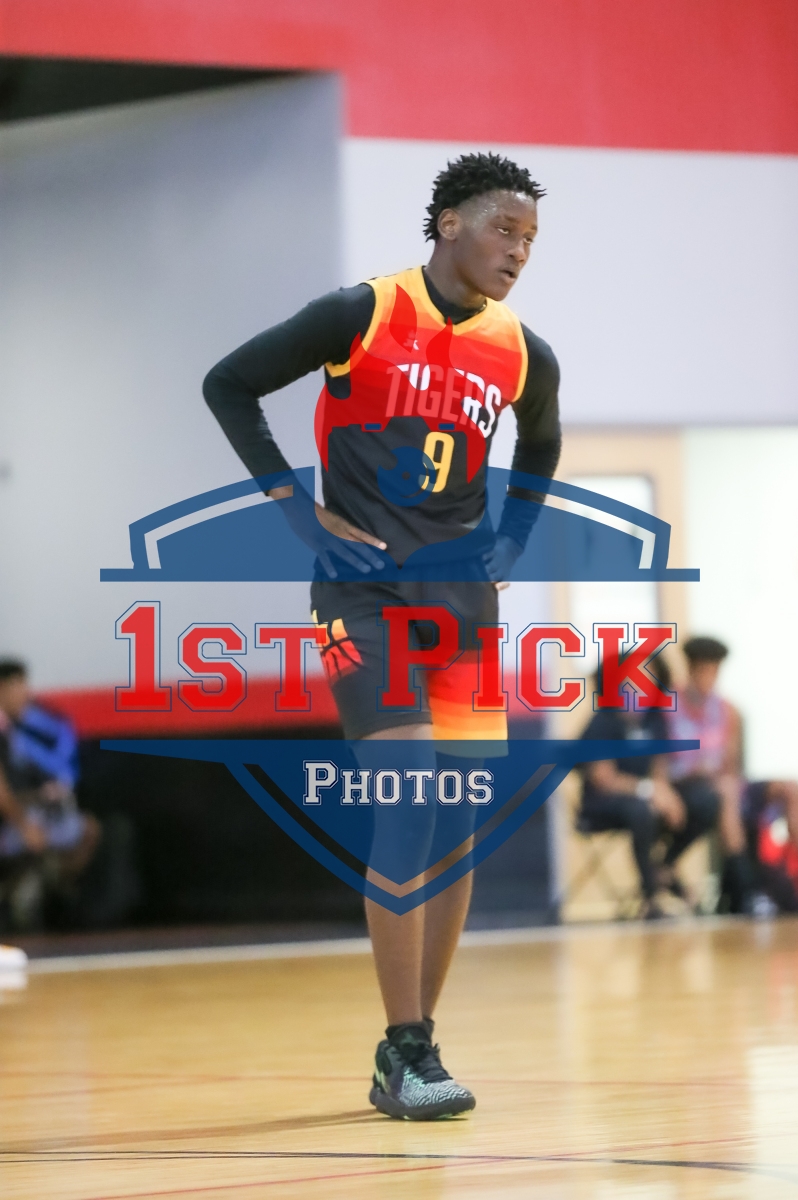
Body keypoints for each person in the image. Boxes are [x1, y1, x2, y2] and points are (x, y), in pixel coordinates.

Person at [204, 153, 561, 1119]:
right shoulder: (361, 313)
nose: (518, 253)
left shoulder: (522, 350)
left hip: (463, 607)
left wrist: (514, 540)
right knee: (407, 803)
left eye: (530, 240)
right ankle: (404, 1048)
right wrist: (297, 510)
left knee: (456, 829)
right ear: (449, 223)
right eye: (504, 231)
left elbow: (543, 442)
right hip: (361, 596)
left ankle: (417, 1047)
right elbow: (228, 383)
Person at [668, 636, 798, 914]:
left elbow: (733, 765)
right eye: (704, 670)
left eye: (714, 671)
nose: (709, 678)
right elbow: (661, 767)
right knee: (727, 793)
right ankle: (748, 891)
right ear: (691, 668)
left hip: (727, 784)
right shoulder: (668, 708)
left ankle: (792, 875)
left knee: (791, 788)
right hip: (689, 789)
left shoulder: (727, 711)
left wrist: (726, 771)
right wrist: (700, 770)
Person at [578, 664, 719, 918]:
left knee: (705, 800)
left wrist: (665, 794)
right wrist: (649, 790)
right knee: (641, 810)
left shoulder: (653, 720)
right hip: (604, 804)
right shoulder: (603, 721)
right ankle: (651, 897)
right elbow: (603, 778)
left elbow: (659, 768)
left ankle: (664, 866)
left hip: (648, 800)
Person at [0, 659, 100, 928]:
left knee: (87, 830)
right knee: (37, 839)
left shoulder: (19, 728)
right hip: (11, 823)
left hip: (29, 813)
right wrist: (24, 825)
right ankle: (23, 896)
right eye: (16, 687)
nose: (24, 694)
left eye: (25, 686)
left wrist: (45, 795)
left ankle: (45, 889)